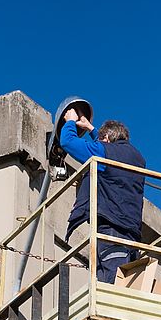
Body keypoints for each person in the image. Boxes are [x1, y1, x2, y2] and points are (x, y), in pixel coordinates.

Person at [60, 109, 146, 283]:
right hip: (131, 235)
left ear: (107, 138)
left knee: (108, 285)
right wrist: (92, 129)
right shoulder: (137, 158)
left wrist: (70, 121)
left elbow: (67, 142)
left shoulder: (106, 153)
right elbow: (108, 152)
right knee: (124, 284)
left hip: (111, 230)